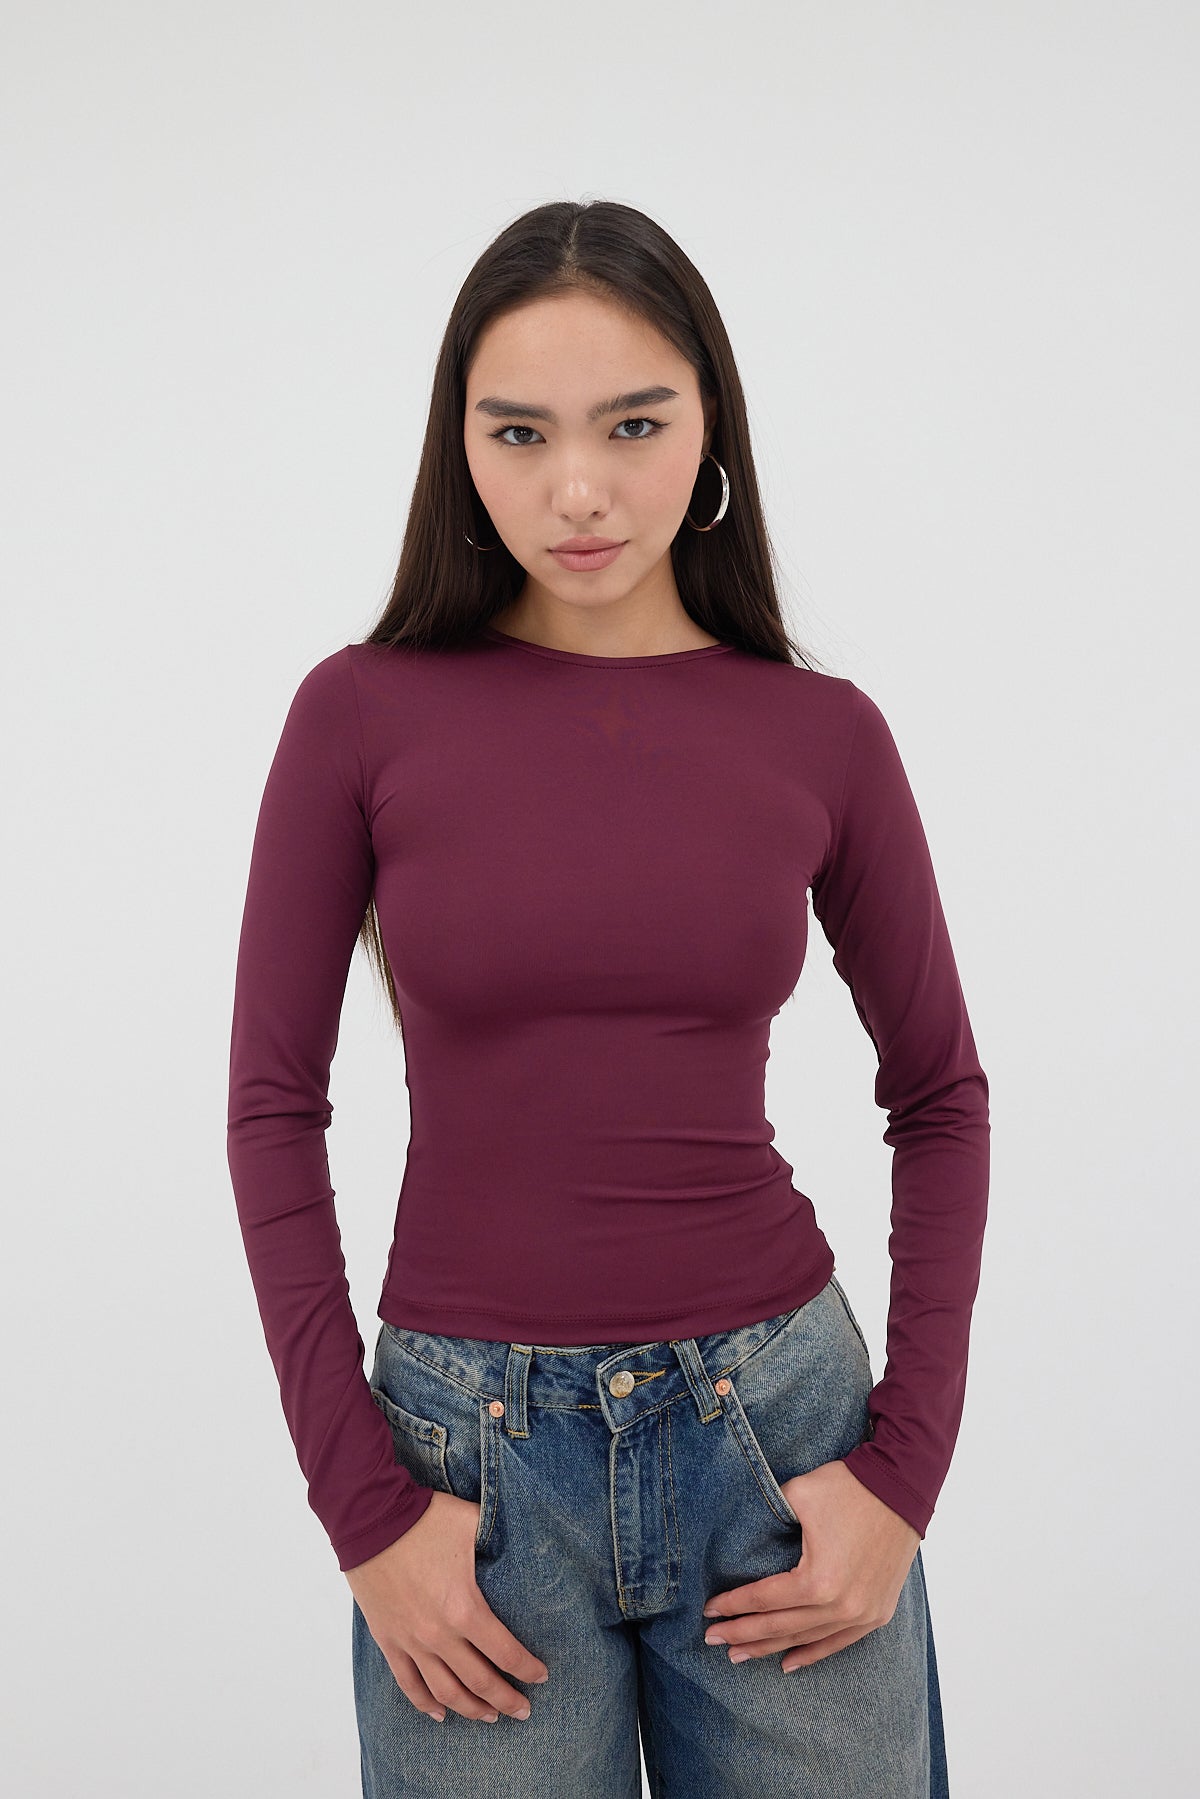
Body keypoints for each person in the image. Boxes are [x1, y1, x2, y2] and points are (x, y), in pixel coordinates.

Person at [226, 197, 988, 1798]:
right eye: (520, 432)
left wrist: (904, 1473)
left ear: (709, 428)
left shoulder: (822, 734)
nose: (577, 490)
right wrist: (360, 1509)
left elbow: (941, 1098)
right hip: (467, 1468)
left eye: (633, 425)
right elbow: (272, 1112)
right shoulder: (359, 717)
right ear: (462, 447)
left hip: (776, 1443)